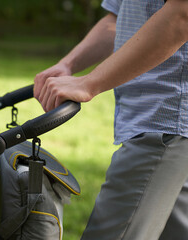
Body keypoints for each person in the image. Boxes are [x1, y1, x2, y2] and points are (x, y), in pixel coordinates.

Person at [34, 0, 188, 239]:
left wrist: (90, 82)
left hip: (166, 121)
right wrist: (68, 65)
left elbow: (182, 14)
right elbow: (118, 19)